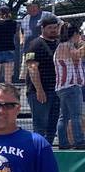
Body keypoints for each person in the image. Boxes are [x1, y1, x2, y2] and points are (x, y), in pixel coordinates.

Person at [25, 16, 61, 145]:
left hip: (56, 91)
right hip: (39, 92)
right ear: (42, 28)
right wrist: (39, 90)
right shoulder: (35, 45)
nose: (53, 30)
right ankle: (37, 150)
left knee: (52, 125)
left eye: (55, 28)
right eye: (50, 28)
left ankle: (48, 149)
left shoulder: (59, 44)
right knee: (40, 125)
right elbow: (32, 67)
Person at [53, 23, 84, 149]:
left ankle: (64, 142)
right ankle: (79, 141)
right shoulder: (66, 45)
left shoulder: (62, 46)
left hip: (63, 87)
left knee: (64, 117)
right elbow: (77, 56)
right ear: (75, 34)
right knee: (75, 115)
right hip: (71, 86)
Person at [19, 0, 55, 80]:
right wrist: (21, 39)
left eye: (30, 6)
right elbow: (21, 30)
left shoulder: (47, 15)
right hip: (28, 51)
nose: (28, 8)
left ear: (37, 7)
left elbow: (61, 24)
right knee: (27, 75)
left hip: (43, 51)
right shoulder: (25, 18)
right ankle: (27, 92)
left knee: (41, 73)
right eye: (27, 7)